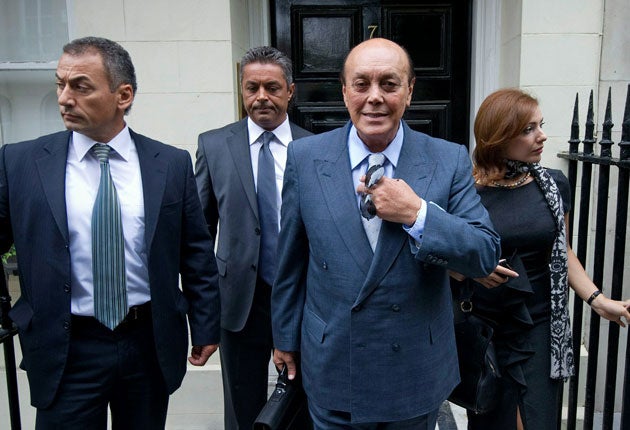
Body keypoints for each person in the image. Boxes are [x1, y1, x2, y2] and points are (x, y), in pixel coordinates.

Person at [270, 37, 500, 429]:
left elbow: (484, 253)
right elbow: (291, 261)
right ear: (345, 92)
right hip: (333, 364)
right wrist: (284, 338)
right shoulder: (306, 158)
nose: (374, 97)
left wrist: (418, 214)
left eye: (389, 84)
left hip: (415, 370)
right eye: (361, 84)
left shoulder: (448, 158)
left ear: (409, 92)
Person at [0, 36, 220, 429]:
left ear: (123, 94)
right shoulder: (20, 163)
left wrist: (205, 325)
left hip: (146, 344)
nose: (65, 97)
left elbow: (195, 253)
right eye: (60, 84)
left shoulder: (169, 164)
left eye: (80, 86)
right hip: (64, 348)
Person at [466, 88, 630, 429]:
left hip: (540, 326)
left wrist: (597, 300)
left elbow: (563, 250)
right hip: (486, 328)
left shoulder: (553, 185)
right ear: (498, 137)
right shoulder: (467, 192)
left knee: (538, 419)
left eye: (540, 125)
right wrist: (472, 267)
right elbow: (448, 255)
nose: (541, 136)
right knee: (493, 421)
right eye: (528, 129)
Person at [195, 46, 311, 429]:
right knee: (242, 410)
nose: (262, 96)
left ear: (290, 91)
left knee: (298, 406)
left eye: (272, 87)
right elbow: (199, 235)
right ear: (241, 90)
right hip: (239, 301)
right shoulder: (214, 145)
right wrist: (203, 317)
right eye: (252, 87)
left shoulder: (314, 149)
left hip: (300, 298)